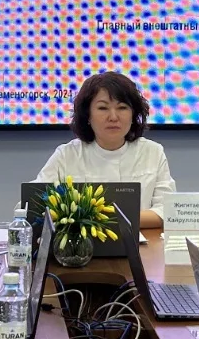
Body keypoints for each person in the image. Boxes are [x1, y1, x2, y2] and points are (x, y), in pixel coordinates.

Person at [37, 72, 175, 229]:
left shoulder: (153, 152)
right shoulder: (66, 155)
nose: (113, 117)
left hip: (142, 241)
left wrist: (100, 218)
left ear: (133, 115)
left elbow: (167, 211)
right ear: (87, 115)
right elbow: (33, 204)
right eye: (103, 108)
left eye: (122, 107)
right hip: (81, 242)